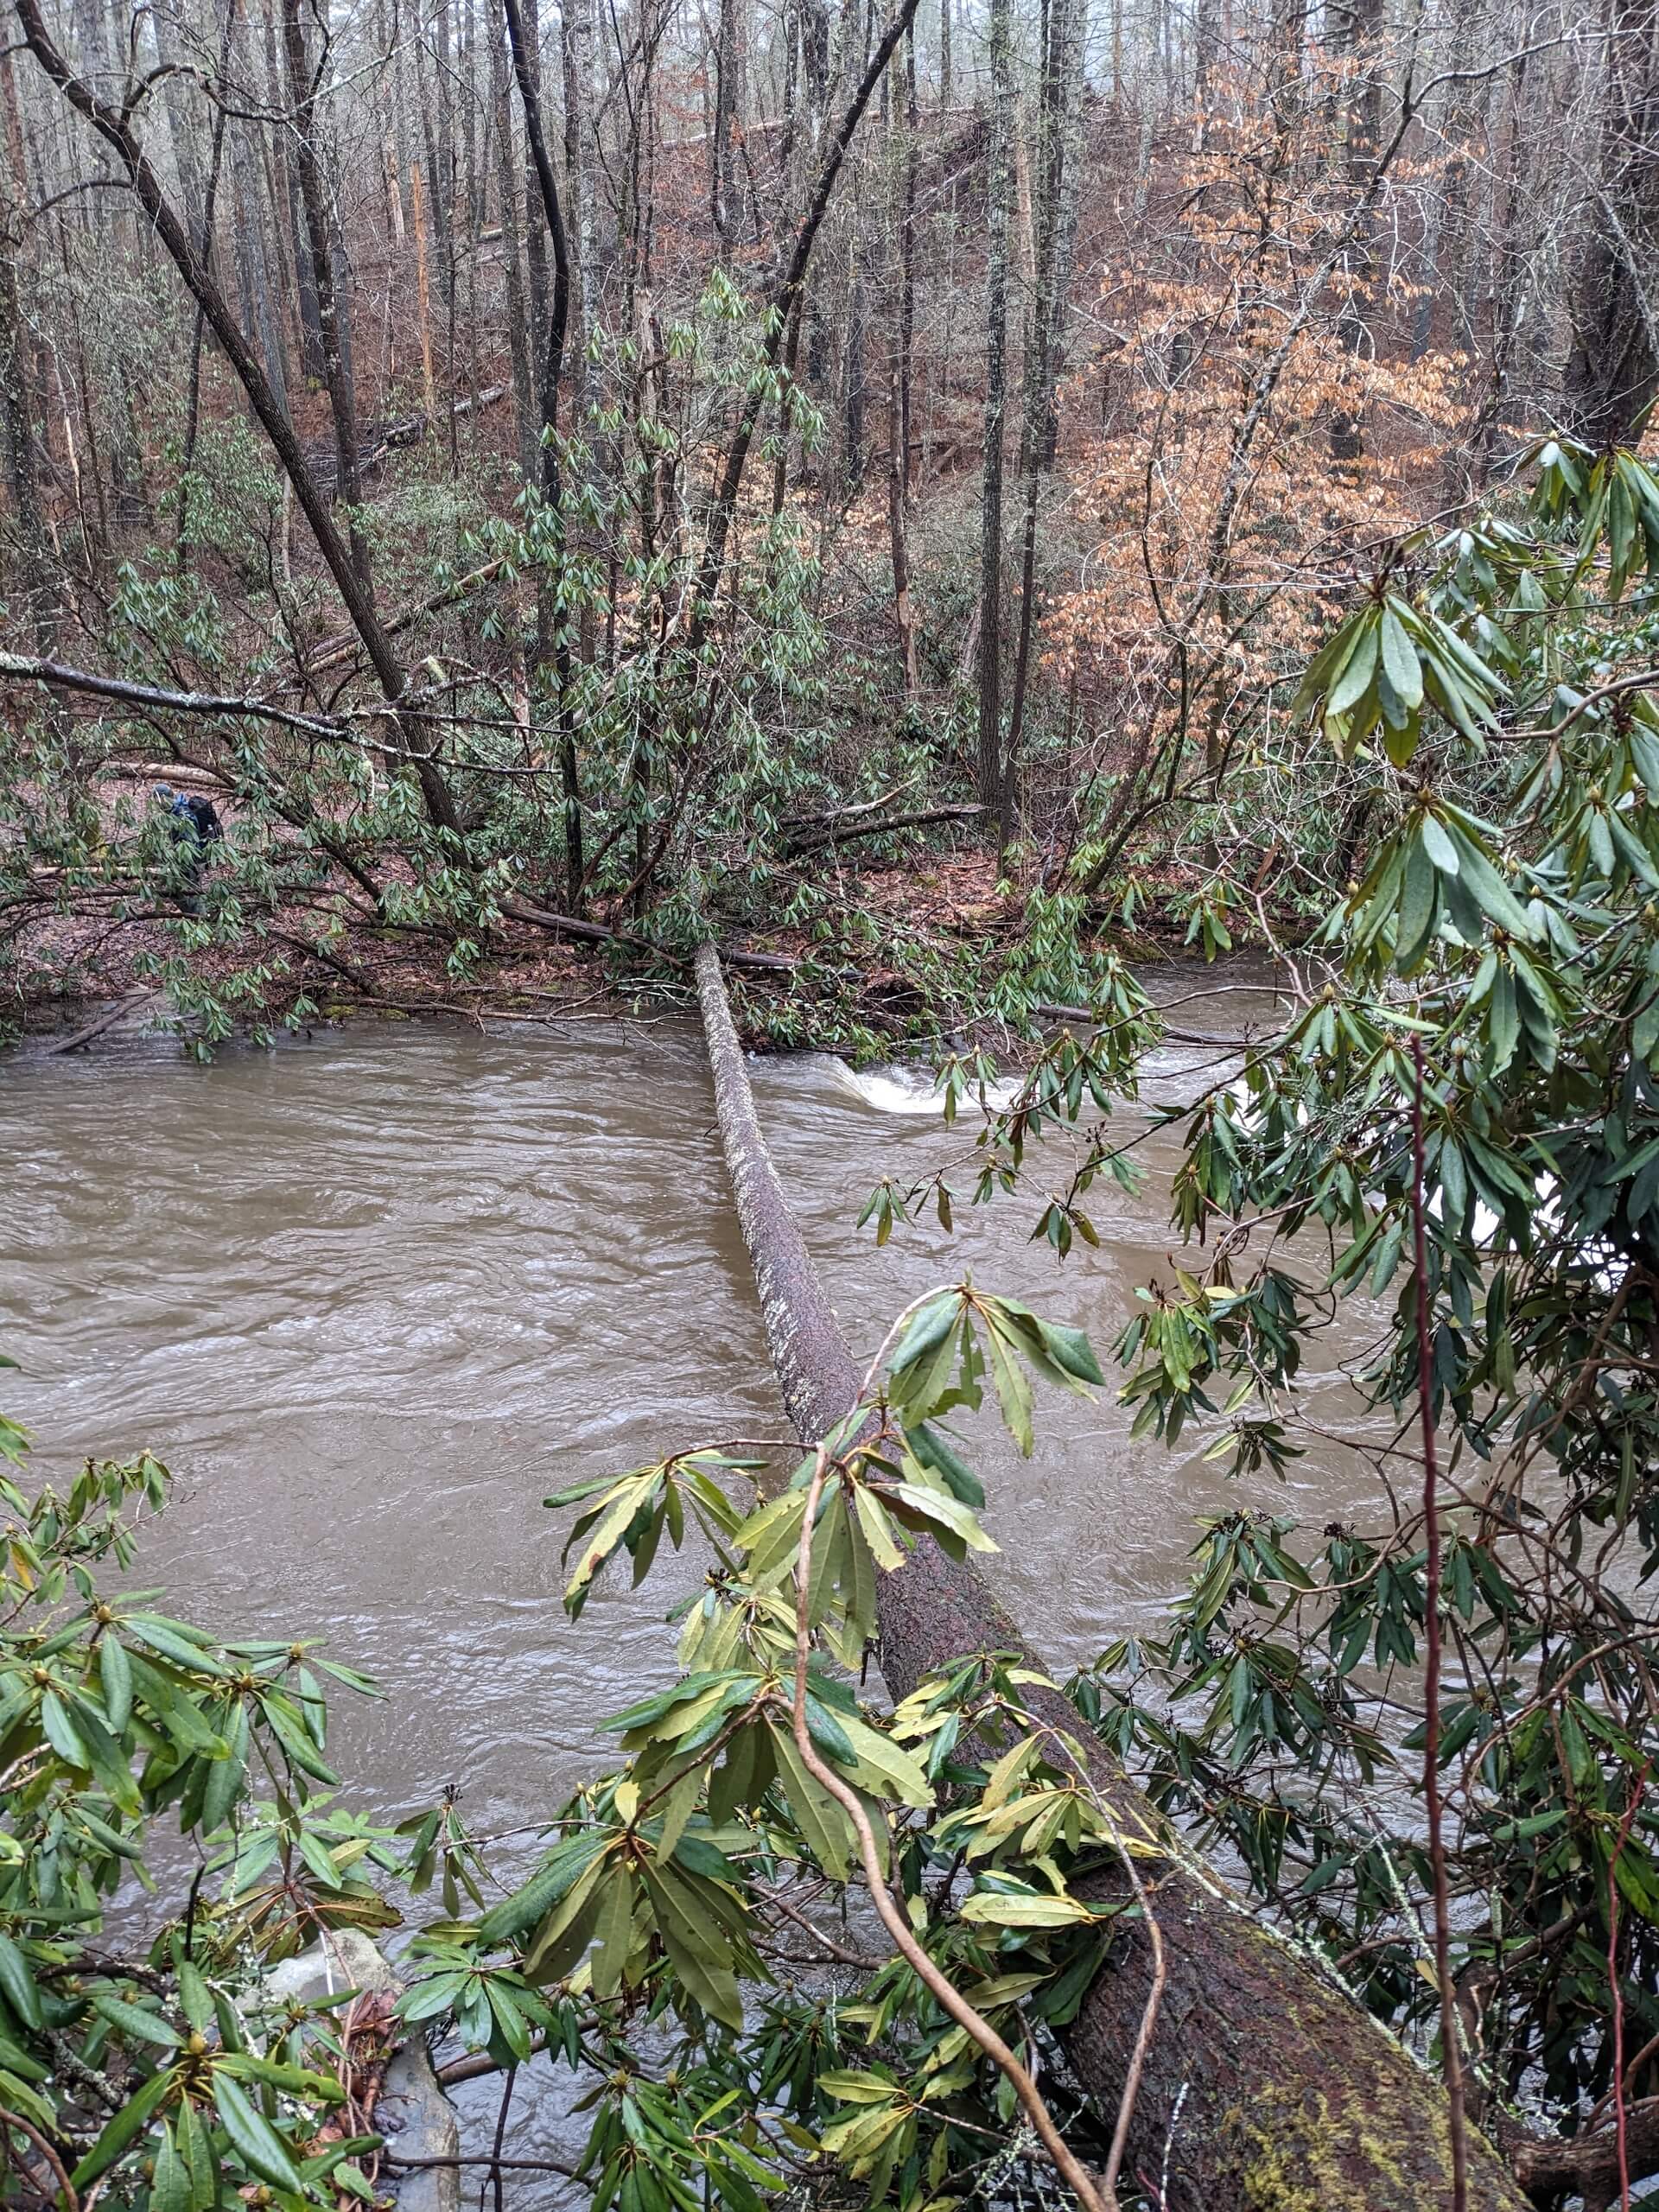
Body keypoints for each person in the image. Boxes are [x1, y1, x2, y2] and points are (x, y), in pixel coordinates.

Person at [153, 784, 223, 914]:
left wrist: (181, 861)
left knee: (187, 891)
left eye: (156, 800)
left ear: (162, 799)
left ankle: (202, 919)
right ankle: (200, 918)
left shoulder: (182, 815)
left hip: (191, 860)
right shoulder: (175, 811)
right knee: (189, 891)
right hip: (190, 858)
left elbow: (189, 843)